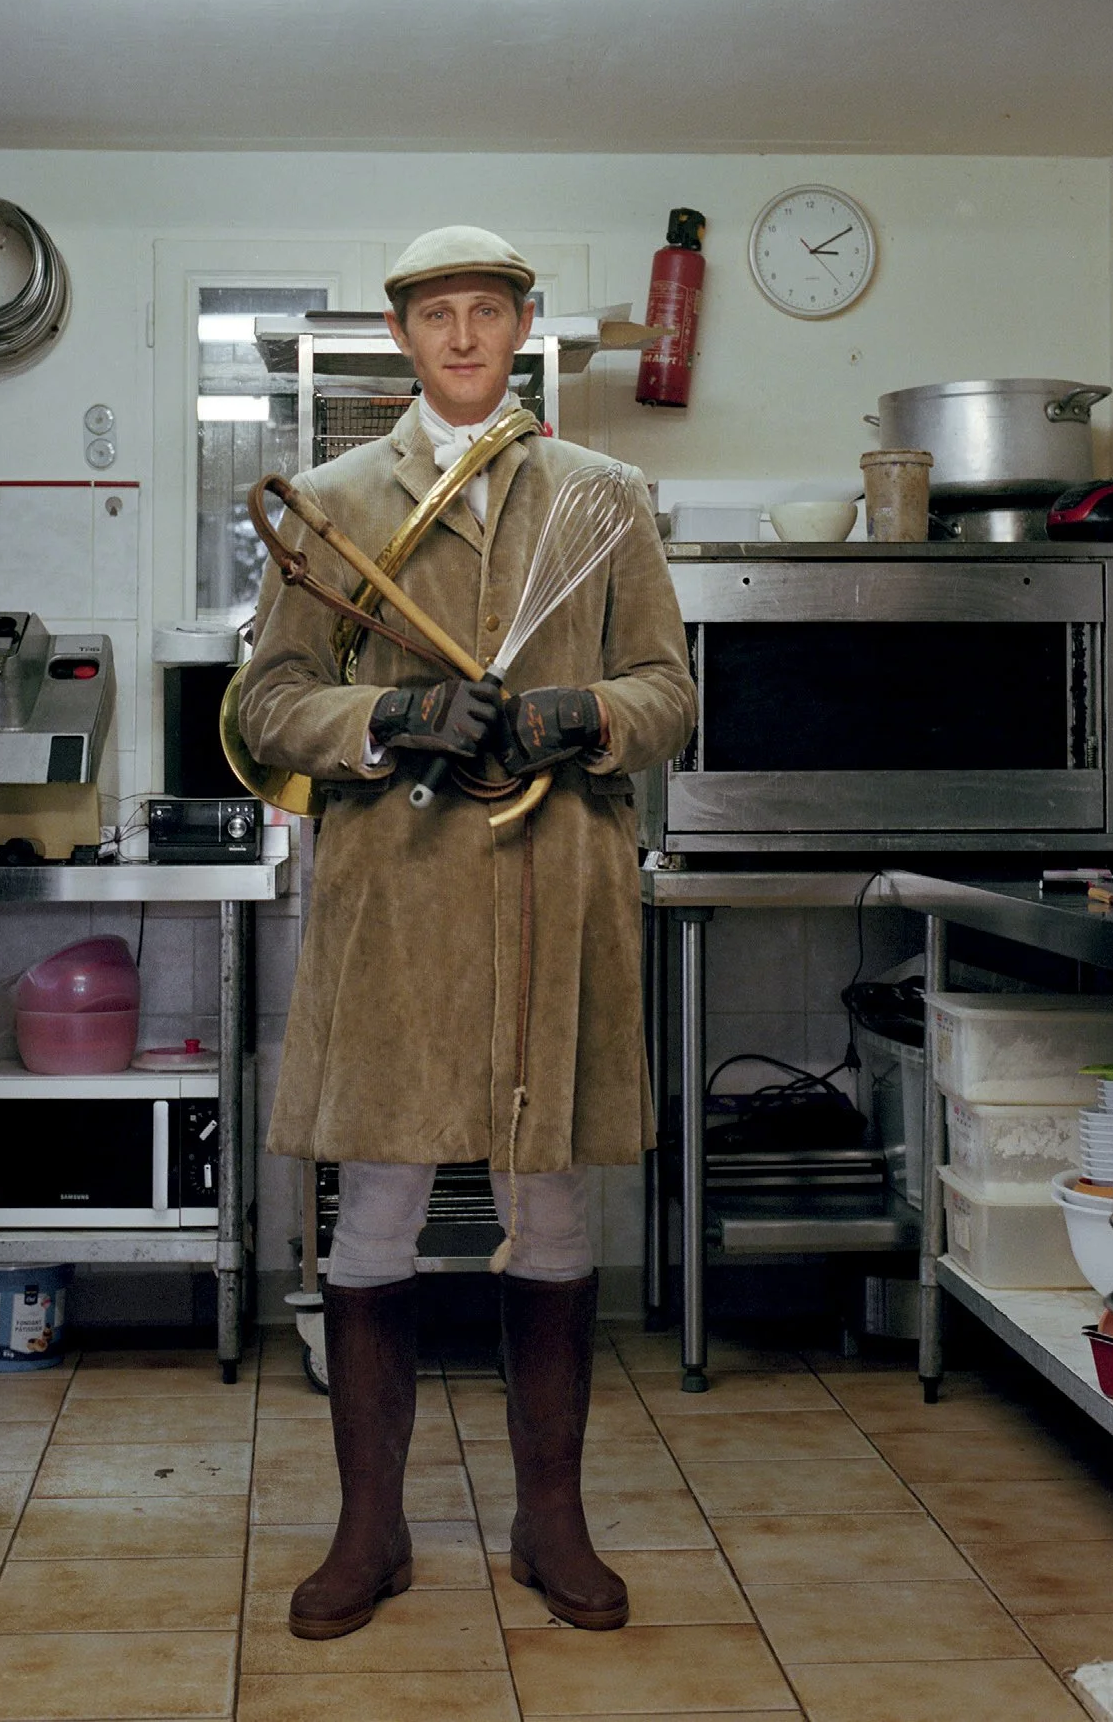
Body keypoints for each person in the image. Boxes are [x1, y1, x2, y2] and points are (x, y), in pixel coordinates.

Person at [236, 224, 695, 1640]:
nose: (462, 337)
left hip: (551, 888)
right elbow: (265, 708)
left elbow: (671, 691)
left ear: (521, 329)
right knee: (372, 1209)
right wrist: (384, 716)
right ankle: (367, 1531)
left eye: (487, 312)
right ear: (403, 336)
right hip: (395, 901)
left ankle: (548, 1522)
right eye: (439, 314)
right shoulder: (322, 510)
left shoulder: (603, 498)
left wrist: (585, 714)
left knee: (550, 1206)